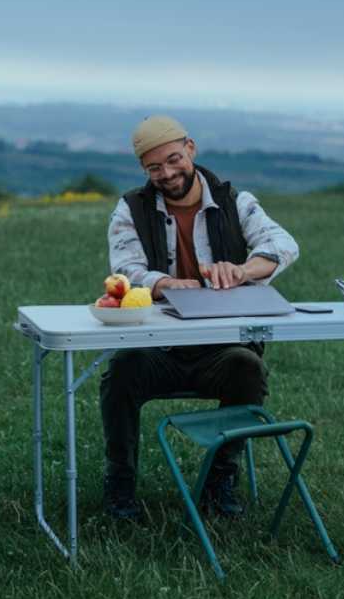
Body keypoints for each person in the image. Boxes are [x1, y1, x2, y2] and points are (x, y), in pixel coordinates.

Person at [101, 115, 299, 520]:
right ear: (144, 169)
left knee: (247, 366)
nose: (167, 173)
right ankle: (120, 485)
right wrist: (164, 283)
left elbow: (284, 245)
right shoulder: (130, 209)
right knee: (121, 371)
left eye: (174, 160)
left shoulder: (236, 201)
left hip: (221, 350)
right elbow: (126, 266)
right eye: (154, 167)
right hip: (158, 348)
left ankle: (220, 480)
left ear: (191, 148)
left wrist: (242, 271)